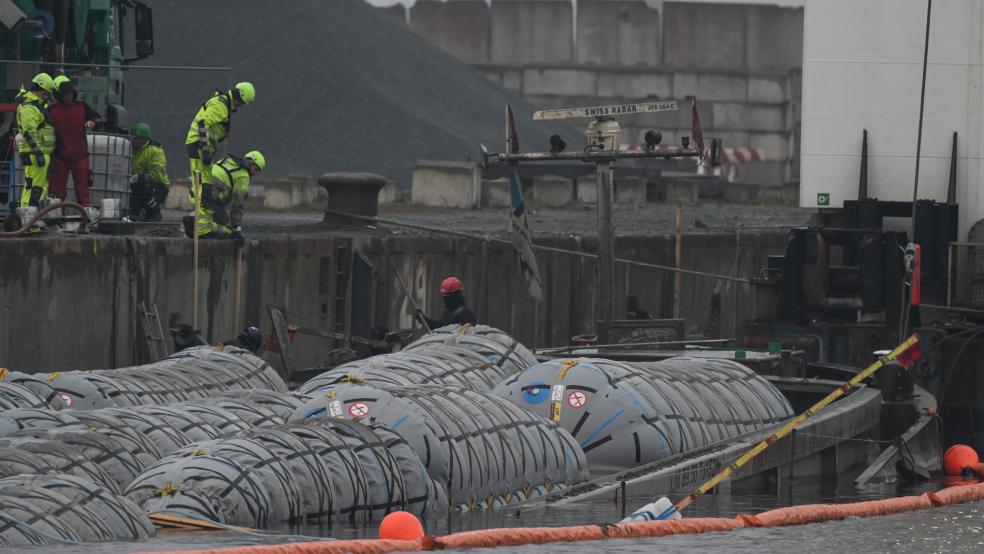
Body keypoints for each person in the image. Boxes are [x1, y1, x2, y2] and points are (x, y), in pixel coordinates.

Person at [184, 82, 255, 199]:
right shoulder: (221, 105)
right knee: (200, 185)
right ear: (238, 96)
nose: (240, 106)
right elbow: (203, 124)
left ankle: (203, 214)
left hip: (201, 146)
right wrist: (205, 148)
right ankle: (200, 214)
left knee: (206, 185)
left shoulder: (225, 105)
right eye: (241, 103)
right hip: (199, 146)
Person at [47, 76, 104, 206]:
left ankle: (84, 216)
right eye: (66, 94)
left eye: (71, 94)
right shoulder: (52, 110)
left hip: (80, 156)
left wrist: (93, 122)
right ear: (60, 95)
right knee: (58, 191)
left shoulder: (82, 107)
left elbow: (99, 120)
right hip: (60, 157)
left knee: (82, 190)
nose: (69, 97)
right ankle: (57, 217)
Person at [193, 150, 265, 245]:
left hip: (196, 192)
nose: (255, 173)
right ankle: (198, 226)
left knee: (210, 219)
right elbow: (237, 204)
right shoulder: (243, 176)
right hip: (209, 197)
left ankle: (194, 223)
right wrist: (236, 228)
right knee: (224, 229)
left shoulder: (228, 160)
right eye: (256, 169)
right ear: (250, 162)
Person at [16, 73, 56, 208]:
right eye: (44, 94)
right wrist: (38, 152)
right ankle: (28, 220)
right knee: (33, 187)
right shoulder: (29, 106)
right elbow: (28, 132)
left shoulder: (37, 105)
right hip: (34, 153)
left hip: (40, 152)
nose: (45, 97)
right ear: (38, 90)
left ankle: (35, 218)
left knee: (40, 188)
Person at [129, 122, 170, 221]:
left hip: (158, 186)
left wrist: (138, 177)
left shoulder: (155, 151)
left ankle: (154, 212)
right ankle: (136, 212)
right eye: (134, 138)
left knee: (143, 185)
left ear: (144, 139)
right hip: (135, 184)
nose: (134, 141)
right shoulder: (131, 150)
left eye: (137, 139)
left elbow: (157, 174)